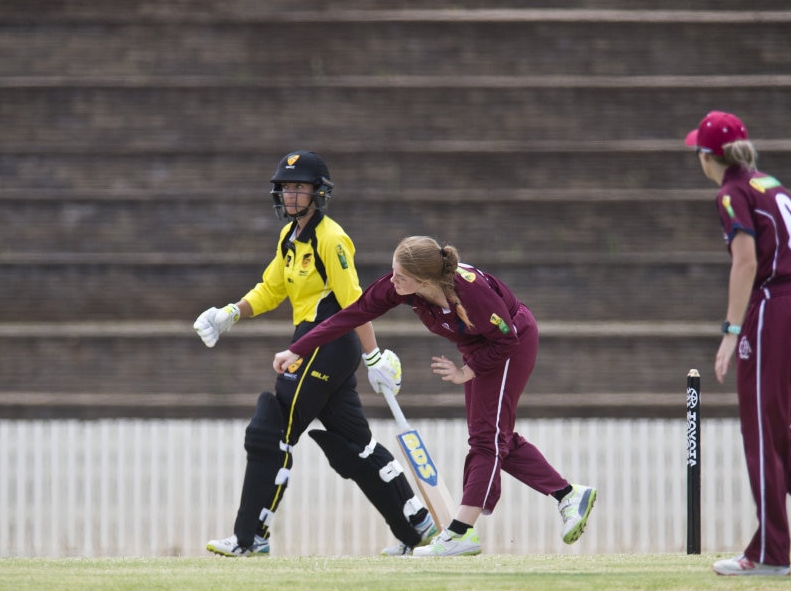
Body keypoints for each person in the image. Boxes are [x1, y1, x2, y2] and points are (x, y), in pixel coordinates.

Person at [273, 235, 597, 556]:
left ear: (425, 281)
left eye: (400, 276)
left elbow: (507, 338)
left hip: (511, 343)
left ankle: (460, 533)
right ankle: (568, 494)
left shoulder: (471, 292)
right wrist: (296, 350)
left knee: (486, 439)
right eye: (393, 271)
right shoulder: (399, 286)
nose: (392, 280)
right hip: (480, 347)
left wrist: (467, 371)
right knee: (498, 437)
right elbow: (353, 314)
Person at [194, 150, 437, 557]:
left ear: (318, 192)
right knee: (354, 446)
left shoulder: (332, 239)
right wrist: (231, 313)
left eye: (299, 187)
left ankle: (250, 535)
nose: (290, 195)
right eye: (286, 187)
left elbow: (354, 301)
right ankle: (416, 528)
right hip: (314, 342)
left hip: (326, 341)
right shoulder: (290, 240)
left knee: (270, 431)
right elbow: (272, 289)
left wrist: (373, 356)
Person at [684, 110, 791, 576]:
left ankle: (769, 555)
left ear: (708, 155)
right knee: (774, 428)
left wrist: (730, 331)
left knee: (761, 430)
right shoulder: (768, 183)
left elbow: (745, 261)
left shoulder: (731, 192)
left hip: (775, 309)